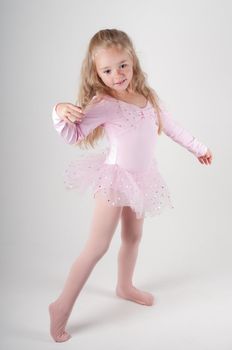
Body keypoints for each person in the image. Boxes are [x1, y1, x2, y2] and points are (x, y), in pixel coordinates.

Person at [49, 28, 213, 342]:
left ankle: (124, 286)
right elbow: (75, 134)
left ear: (132, 60)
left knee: (133, 237)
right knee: (97, 247)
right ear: (96, 72)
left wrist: (199, 148)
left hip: (141, 178)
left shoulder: (147, 96)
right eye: (107, 70)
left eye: (122, 65)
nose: (117, 74)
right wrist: (58, 111)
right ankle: (60, 306)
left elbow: (172, 126)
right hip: (114, 179)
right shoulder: (104, 102)